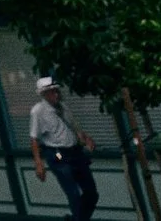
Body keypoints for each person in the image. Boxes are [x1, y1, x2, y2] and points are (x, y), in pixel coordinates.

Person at [31, 77, 99, 221]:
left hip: (75, 152)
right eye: (51, 92)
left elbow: (74, 127)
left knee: (91, 193)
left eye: (56, 91)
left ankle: (76, 219)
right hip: (58, 154)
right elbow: (34, 138)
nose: (56, 94)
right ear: (44, 94)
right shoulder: (38, 111)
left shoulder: (63, 107)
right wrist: (38, 163)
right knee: (73, 193)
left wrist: (86, 138)